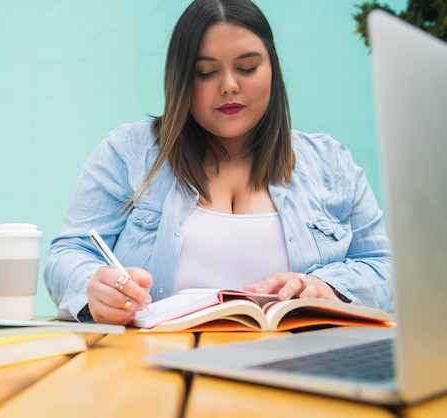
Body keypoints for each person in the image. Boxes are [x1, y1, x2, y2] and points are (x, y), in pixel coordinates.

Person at [44, 0, 392, 325]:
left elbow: (387, 268)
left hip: (300, 362)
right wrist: (94, 287)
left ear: (272, 69)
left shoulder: (332, 163)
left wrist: (326, 286)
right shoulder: (127, 152)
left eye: (247, 67)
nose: (229, 86)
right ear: (181, 80)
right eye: (206, 73)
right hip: (153, 365)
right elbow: (67, 254)